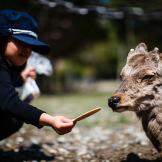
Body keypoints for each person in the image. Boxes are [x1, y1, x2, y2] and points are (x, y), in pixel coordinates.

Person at [0, 9, 75, 140]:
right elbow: (9, 102)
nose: (28, 49)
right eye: (21, 42)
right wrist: (50, 120)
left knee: (14, 120)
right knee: (12, 116)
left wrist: (21, 78)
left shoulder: (7, 63)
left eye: (31, 45)